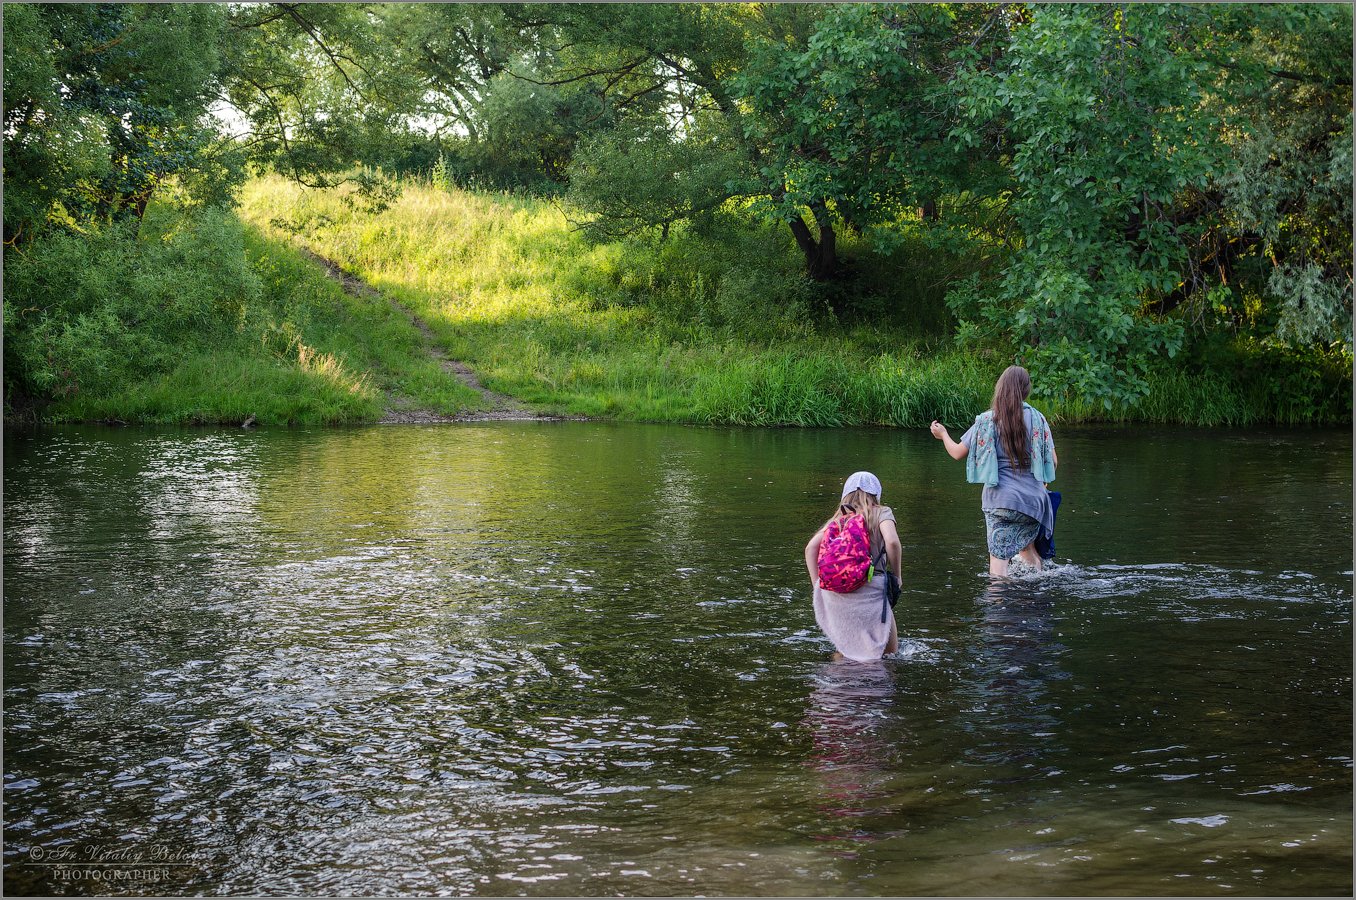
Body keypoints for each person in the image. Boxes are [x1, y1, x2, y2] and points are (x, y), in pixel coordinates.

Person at [929, 365, 1059, 577]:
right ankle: (1035, 598)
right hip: (1034, 502)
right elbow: (1053, 462)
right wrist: (1041, 486)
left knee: (998, 568)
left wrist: (943, 434)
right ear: (1026, 390)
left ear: (1000, 389)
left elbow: (956, 453)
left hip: (1000, 502)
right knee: (1029, 553)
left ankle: (999, 607)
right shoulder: (1038, 419)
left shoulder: (987, 420)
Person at [804, 471, 903, 661]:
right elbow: (892, 542)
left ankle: (837, 683)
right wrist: (897, 576)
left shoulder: (838, 520)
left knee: (846, 649)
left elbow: (810, 548)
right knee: (888, 654)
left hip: (836, 596)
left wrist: (819, 587)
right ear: (876, 494)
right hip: (871, 591)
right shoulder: (881, 512)